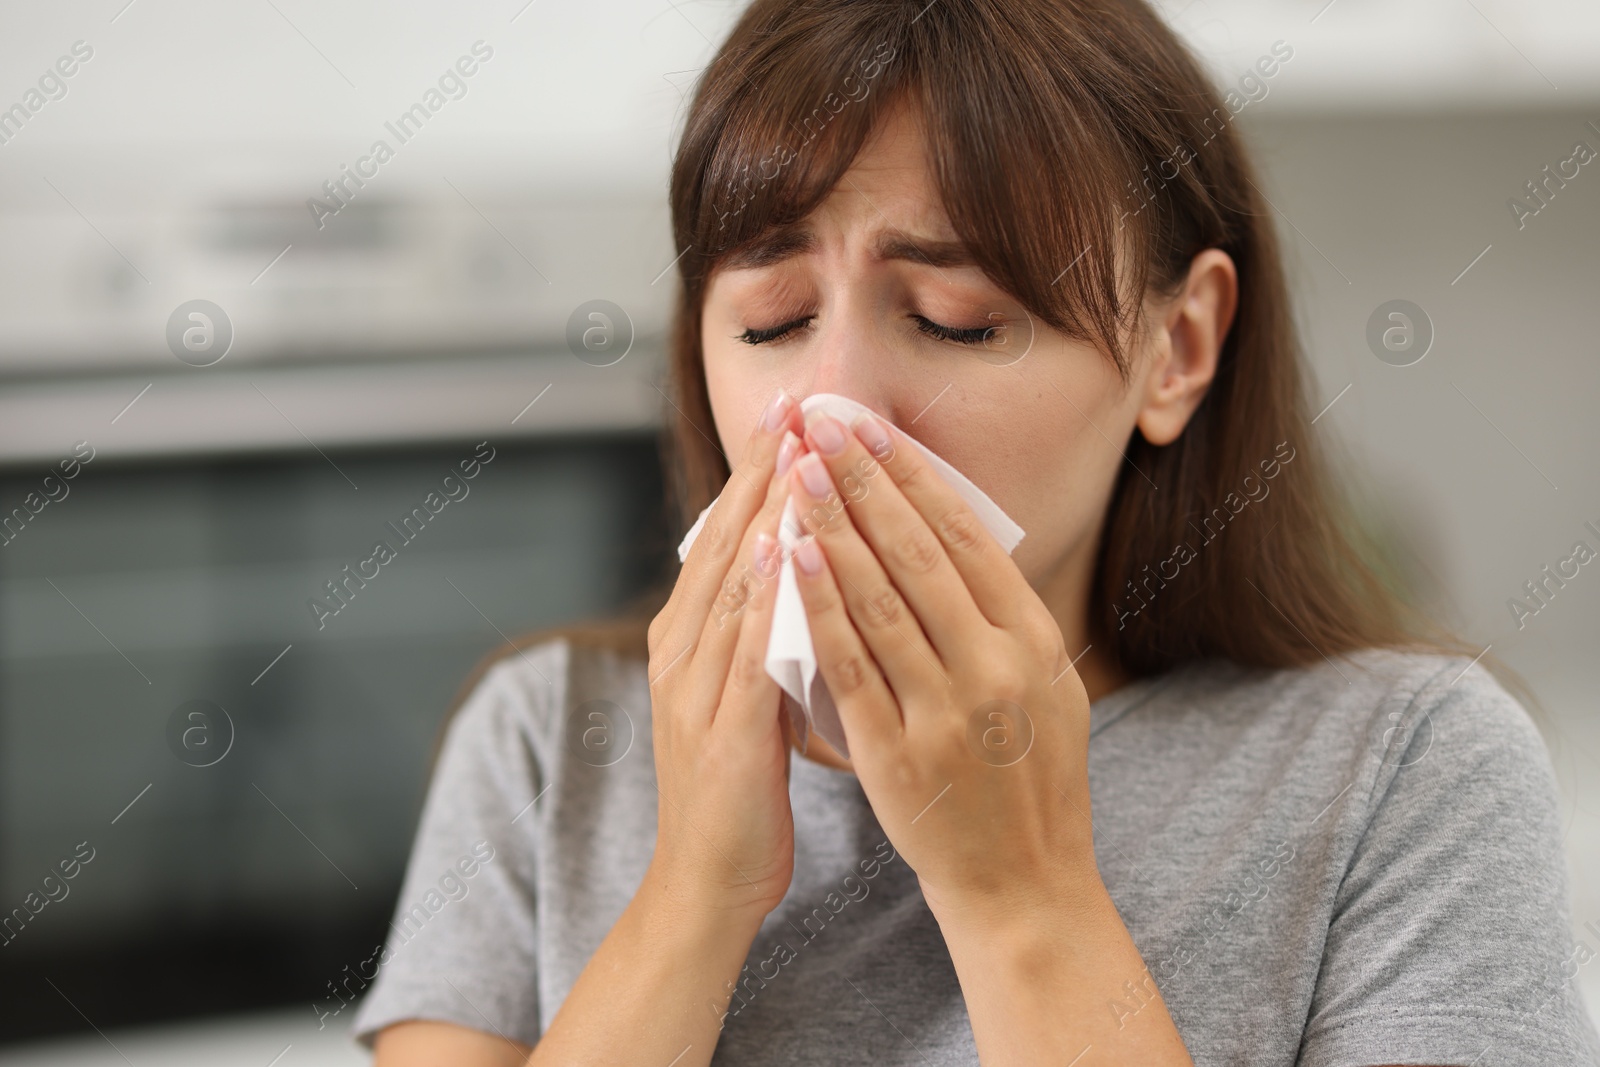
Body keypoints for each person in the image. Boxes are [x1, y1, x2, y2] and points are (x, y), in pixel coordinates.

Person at [353, 0, 1600, 1063]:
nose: (830, 409)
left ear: (1178, 348)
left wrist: (1022, 897)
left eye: (956, 320)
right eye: (770, 317)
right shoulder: (542, 743)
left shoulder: (1406, 771)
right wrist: (694, 890)